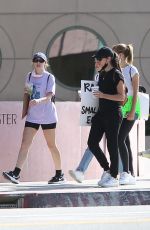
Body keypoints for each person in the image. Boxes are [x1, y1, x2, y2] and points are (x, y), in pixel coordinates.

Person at [69, 44, 139, 186]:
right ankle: (107, 169)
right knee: (92, 143)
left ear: (107, 59)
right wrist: (88, 95)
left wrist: (103, 95)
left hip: (114, 115)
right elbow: (98, 94)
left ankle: (114, 176)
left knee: (113, 146)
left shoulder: (117, 75)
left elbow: (122, 98)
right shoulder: (101, 75)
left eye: (98, 60)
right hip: (101, 114)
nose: (96, 63)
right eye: (95, 61)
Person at [3, 52, 65, 184]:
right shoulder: (29, 76)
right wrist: (26, 108)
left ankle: (59, 174)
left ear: (45, 63)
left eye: (41, 60)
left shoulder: (49, 78)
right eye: (36, 60)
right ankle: (16, 173)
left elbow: (49, 96)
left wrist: (39, 101)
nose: (38, 62)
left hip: (47, 115)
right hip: (33, 116)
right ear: (33, 62)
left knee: (51, 145)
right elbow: (28, 93)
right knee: (25, 144)